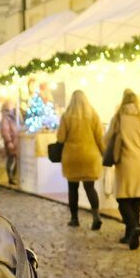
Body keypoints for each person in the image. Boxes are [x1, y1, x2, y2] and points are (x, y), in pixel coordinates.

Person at [106, 89, 140, 250]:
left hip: (125, 163)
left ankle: (133, 227)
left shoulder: (118, 118)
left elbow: (107, 139)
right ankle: (130, 235)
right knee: (136, 200)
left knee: (122, 200)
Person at [57, 89, 105, 229]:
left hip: (72, 157)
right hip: (90, 156)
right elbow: (100, 137)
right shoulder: (93, 115)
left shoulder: (67, 116)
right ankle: (96, 216)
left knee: (73, 188)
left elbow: (61, 137)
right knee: (90, 187)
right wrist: (104, 153)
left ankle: (74, 218)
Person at [0, 101, 20, 186]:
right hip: (11, 142)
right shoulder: (6, 118)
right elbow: (5, 131)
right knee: (11, 159)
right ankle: (11, 178)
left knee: (15, 160)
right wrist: (8, 141)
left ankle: (13, 177)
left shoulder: (13, 118)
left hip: (15, 141)